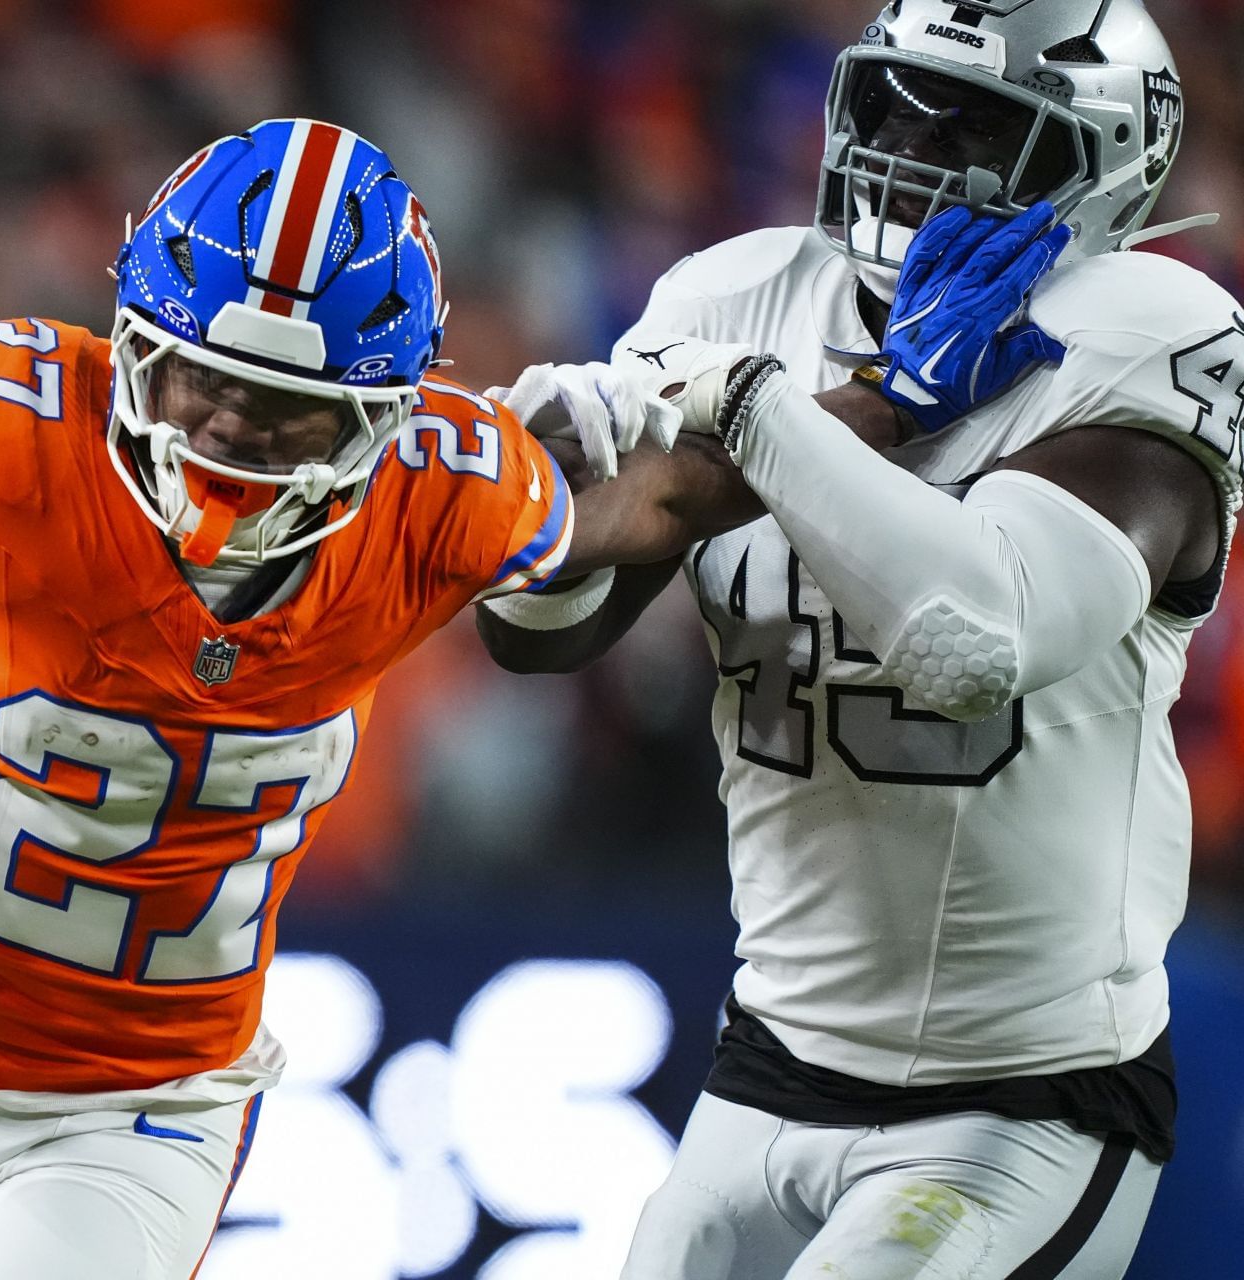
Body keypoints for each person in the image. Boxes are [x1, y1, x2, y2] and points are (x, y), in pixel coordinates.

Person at [0, 119, 1055, 1278]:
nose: (225, 431)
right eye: (198, 379)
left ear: (385, 414)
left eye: (284, 411)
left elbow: (660, 498)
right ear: (131, 336)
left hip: (133, 1111)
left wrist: (880, 402)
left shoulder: (439, 494)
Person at [478, 2, 1244, 1278]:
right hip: (766, 1062)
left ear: (1100, 162)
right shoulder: (737, 292)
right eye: (894, 107)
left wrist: (753, 405)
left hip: (1020, 1094)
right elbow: (540, 630)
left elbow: (973, 638)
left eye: (978, 128)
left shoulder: (1146, 330)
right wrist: (534, 500)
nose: (911, 153)